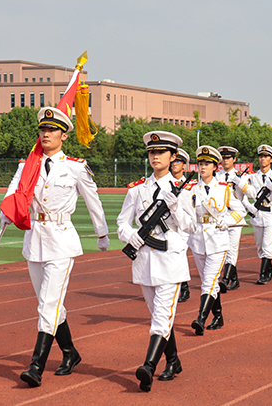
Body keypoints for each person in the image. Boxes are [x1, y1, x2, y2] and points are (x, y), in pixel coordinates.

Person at [1, 107, 110, 387]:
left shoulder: (75, 167)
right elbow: (13, 193)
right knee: (48, 303)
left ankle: (36, 366)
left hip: (61, 240)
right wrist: (6, 212)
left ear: (64, 135)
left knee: (49, 303)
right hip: (34, 238)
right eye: (42, 129)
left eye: (51, 130)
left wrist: (102, 233)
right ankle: (70, 352)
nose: (46, 134)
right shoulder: (27, 166)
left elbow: (93, 200)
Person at [116, 131, 196, 392]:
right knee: (159, 316)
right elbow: (122, 223)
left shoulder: (183, 190)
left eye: (161, 152)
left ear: (173, 157)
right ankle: (173, 360)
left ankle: (148, 367)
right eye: (152, 152)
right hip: (144, 261)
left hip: (170, 262)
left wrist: (175, 208)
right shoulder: (137, 189)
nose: (155, 156)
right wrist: (131, 236)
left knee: (161, 317)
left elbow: (191, 226)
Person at [188, 146, 243, 335]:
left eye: (207, 164)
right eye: (200, 163)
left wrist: (228, 221)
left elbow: (240, 210)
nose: (203, 167)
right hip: (198, 240)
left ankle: (201, 319)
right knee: (208, 282)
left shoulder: (224, 189)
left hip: (218, 239)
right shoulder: (191, 189)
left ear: (215, 167)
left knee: (209, 282)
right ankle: (218, 316)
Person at [243, 144, 272, 284]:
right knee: (260, 247)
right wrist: (248, 206)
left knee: (267, 246)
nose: (263, 159)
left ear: (271, 159)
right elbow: (242, 193)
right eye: (261, 156)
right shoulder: (252, 177)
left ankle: (262, 274)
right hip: (257, 214)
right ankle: (269, 269)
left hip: (271, 214)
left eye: (266, 156)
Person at [217, 145, 250, 291]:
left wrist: (238, 181)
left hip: (235, 216)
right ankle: (234, 279)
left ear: (234, 159)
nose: (225, 160)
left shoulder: (242, 176)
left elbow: (252, 194)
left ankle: (225, 279)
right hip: (221, 216)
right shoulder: (216, 176)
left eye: (228, 158)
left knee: (231, 249)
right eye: (223, 158)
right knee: (222, 249)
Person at [171, 148, 193, 303]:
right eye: (173, 161)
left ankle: (184, 288)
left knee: (178, 255)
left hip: (183, 228)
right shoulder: (164, 183)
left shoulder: (190, 187)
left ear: (184, 166)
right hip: (167, 227)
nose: (174, 164)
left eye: (178, 161)